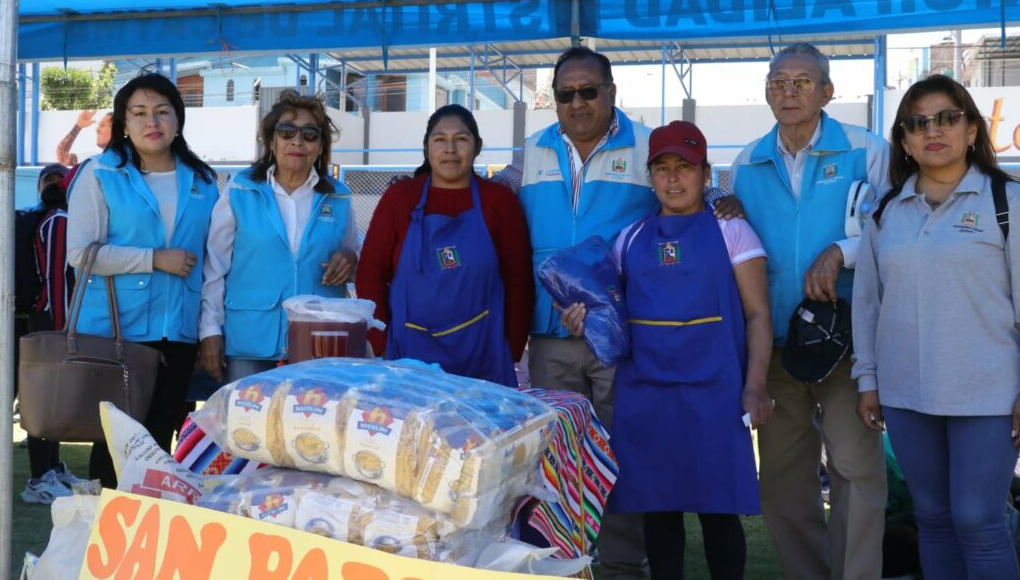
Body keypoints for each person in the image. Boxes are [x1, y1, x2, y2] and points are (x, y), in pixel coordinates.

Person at [498, 46, 739, 579]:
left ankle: (624, 568)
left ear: (611, 92)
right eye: (566, 93)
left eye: (589, 90)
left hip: (623, 336)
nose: (578, 102)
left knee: (621, 459)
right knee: (556, 463)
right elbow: (491, 196)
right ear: (554, 100)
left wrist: (728, 198)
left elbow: (686, 189)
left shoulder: (644, 146)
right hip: (551, 332)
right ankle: (559, 566)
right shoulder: (532, 151)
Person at [560, 121, 773, 579]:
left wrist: (755, 385)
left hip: (716, 391)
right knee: (659, 512)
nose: (673, 178)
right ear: (649, 174)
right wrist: (579, 318)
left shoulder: (732, 232)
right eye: (662, 168)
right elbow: (606, 313)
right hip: (648, 394)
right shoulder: (630, 239)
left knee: (719, 511)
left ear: (705, 173)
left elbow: (758, 315)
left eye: (685, 167)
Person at [730, 41, 888, 580]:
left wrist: (841, 251)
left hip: (848, 344)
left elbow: (896, 230)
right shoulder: (746, 162)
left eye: (802, 81)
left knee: (856, 470)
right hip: (774, 344)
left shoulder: (867, 150)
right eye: (778, 81)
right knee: (781, 480)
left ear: (827, 91)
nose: (788, 91)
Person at [852, 74, 1020, 579]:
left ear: (972, 129)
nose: (934, 130)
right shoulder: (885, 212)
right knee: (934, 520)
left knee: (979, 519)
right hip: (905, 394)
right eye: (918, 123)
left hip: (987, 393)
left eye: (948, 117)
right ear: (904, 141)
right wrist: (868, 379)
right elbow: (868, 305)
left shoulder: (1006, 201)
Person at [66, 73, 219, 487]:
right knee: (115, 446)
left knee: (161, 443)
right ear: (124, 122)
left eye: (162, 112)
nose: (152, 122)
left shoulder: (203, 181)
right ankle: (106, 536)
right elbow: (80, 253)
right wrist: (154, 259)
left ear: (178, 119)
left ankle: (148, 540)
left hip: (179, 334)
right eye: (139, 113)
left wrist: (209, 329)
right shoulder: (99, 174)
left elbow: (215, 259)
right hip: (118, 333)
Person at [356, 104, 533, 386]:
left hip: (483, 361)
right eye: (440, 139)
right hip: (408, 360)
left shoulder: (499, 202)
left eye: (461, 139)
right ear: (426, 148)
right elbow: (370, 272)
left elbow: (519, 280)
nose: (450, 148)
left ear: (477, 147)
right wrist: (381, 342)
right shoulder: (400, 198)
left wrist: (509, 348)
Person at [199, 89, 358, 383]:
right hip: (250, 343)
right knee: (247, 427)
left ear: (321, 146)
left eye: (310, 134)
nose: (297, 141)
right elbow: (214, 267)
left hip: (318, 345)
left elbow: (354, 257)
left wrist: (350, 260)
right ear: (272, 141)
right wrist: (210, 330)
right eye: (286, 132)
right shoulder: (240, 190)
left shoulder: (338, 197)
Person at [17, 165, 82, 503]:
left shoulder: (50, 217)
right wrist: (63, 328)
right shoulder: (59, 220)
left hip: (47, 320)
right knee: (43, 404)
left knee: (52, 402)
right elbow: (56, 280)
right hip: (51, 322)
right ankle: (39, 479)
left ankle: (52, 469)